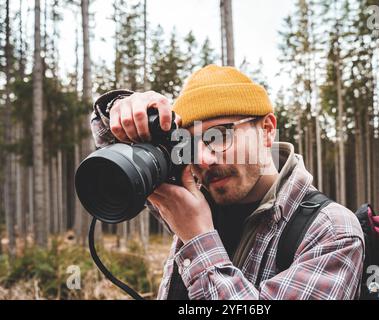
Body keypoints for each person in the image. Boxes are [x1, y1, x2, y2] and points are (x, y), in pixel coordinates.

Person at [89, 64, 364, 300]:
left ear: (267, 130)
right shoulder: (194, 197)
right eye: (189, 144)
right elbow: (122, 163)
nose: (204, 159)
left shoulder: (331, 231)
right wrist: (121, 110)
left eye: (219, 136)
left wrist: (198, 238)